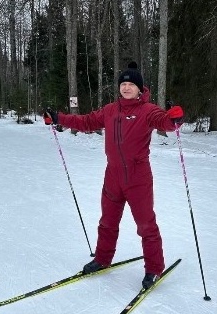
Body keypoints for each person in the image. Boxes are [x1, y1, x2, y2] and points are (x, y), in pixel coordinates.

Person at [54, 62, 183, 289]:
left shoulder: (148, 110)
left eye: (131, 84)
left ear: (139, 88)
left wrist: (174, 120)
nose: (126, 87)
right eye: (123, 84)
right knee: (107, 221)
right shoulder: (110, 110)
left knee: (146, 225)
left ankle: (154, 268)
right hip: (112, 175)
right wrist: (59, 118)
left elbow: (164, 121)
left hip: (138, 177)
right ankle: (102, 259)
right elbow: (86, 122)